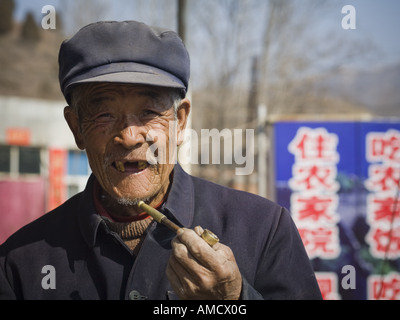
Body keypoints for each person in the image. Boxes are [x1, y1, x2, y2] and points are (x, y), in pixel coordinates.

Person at [0, 20, 322, 300]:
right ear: (77, 128)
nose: (129, 136)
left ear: (180, 122)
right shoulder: (20, 262)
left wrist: (231, 299)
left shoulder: (263, 230)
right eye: (104, 113)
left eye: (149, 112)